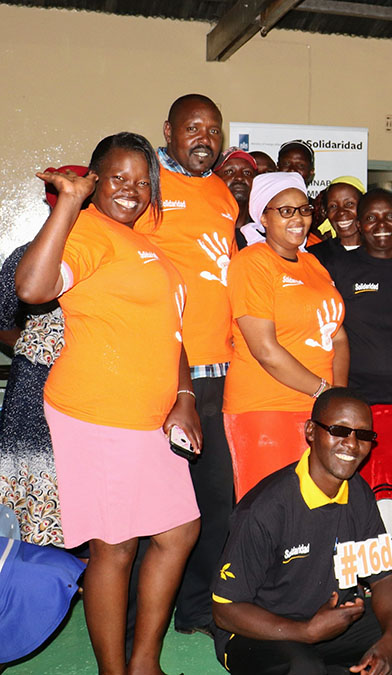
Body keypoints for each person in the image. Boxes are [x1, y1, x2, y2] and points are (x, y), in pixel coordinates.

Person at [16, 132, 201, 674]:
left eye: (142, 182)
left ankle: (144, 662)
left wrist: (185, 395)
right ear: (95, 181)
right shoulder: (88, 231)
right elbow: (32, 288)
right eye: (118, 178)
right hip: (99, 414)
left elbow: (171, 335)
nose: (132, 190)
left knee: (178, 530)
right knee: (115, 546)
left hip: (151, 420)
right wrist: (69, 203)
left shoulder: (145, 245)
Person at [211, 387, 392, 674]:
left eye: (363, 435)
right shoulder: (265, 508)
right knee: (304, 667)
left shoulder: (357, 492)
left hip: (332, 623)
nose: (352, 444)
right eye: (339, 430)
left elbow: (383, 577)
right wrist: (306, 631)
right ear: (311, 431)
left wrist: (388, 641)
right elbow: (224, 611)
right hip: (263, 632)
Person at [134, 93, 238, 637]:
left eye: (214, 130)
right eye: (193, 127)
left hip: (218, 372)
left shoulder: (221, 192)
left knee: (216, 502)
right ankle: (132, 623)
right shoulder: (146, 184)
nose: (205, 138)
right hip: (163, 373)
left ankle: (195, 608)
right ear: (168, 131)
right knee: (151, 506)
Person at [311, 189, 392, 532]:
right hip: (356, 406)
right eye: (371, 218)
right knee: (355, 492)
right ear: (359, 224)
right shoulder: (337, 268)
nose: (381, 225)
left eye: (390, 217)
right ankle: (359, 563)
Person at [223, 172, 349, 499]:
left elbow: (337, 335)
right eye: (285, 211)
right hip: (267, 409)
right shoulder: (252, 263)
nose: (298, 219)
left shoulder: (313, 264)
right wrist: (324, 392)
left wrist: (338, 398)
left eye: (304, 209)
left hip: (319, 410)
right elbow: (265, 349)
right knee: (271, 511)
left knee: (312, 509)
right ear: (264, 218)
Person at [0, 165, 88, 547]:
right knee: (33, 484)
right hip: (35, 387)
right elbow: (2, 319)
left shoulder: (108, 253)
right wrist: (39, 345)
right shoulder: (26, 256)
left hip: (93, 387)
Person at [214, 148, 258, 250]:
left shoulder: (264, 230)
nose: (239, 178)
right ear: (214, 178)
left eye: (247, 173)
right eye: (229, 172)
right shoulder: (204, 225)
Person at [312, 176, 365, 246]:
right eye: (333, 206)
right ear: (326, 212)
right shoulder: (315, 251)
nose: (341, 212)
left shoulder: (377, 250)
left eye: (349, 204)